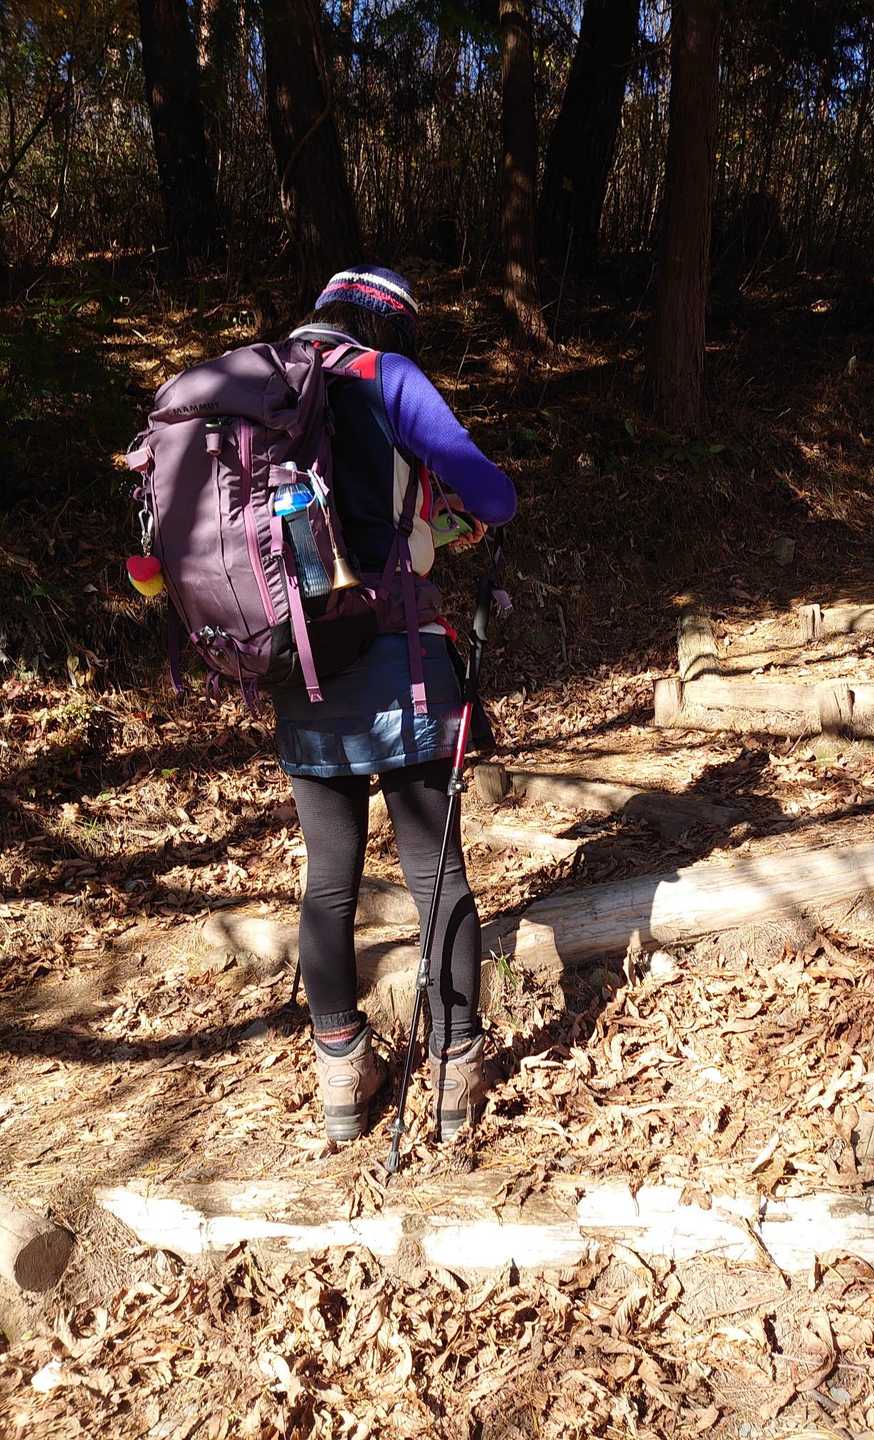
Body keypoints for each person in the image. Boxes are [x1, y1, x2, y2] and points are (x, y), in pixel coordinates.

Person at [273, 266, 516, 1145]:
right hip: (399, 663)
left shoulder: (268, 390)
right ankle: (453, 1070)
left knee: (328, 882)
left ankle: (342, 1074)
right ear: (391, 326)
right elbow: (494, 496)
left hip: (300, 667)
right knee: (436, 874)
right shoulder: (387, 376)